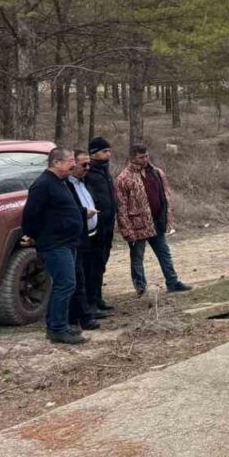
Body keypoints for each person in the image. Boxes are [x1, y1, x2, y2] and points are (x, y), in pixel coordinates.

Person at [21, 148, 88, 344]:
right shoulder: (42, 185)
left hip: (67, 242)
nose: (74, 164)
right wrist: (35, 236)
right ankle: (58, 329)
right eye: (70, 161)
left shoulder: (60, 182)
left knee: (63, 285)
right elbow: (30, 215)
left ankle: (56, 325)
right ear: (57, 163)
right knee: (66, 284)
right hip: (54, 244)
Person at [116, 144, 191, 296]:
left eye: (146, 156)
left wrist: (167, 216)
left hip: (157, 221)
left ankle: (172, 282)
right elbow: (121, 207)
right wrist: (127, 230)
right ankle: (141, 288)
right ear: (132, 157)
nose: (145, 159)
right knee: (137, 257)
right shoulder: (123, 179)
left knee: (164, 253)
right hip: (137, 225)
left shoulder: (156, 172)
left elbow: (165, 194)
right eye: (141, 157)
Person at [81, 137, 117, 315]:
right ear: (93, 154)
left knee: (101, 263)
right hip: (95, 227)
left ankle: (98, 298)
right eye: (104, 151)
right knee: (92, 266)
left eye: (109, 151)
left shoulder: (105, 171)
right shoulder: (88, 174)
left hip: (108, 226)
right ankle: (91, 303)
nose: (108, 154)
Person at [66, 151, 100, 332]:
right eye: (83, 165)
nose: (87, 168)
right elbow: (69, 210)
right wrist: (83, 213)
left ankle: (89, 310)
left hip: (91, 234)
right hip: (76, 238)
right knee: (78, 278)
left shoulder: (83, 182)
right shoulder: (67, 185)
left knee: (89, 274)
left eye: (89, 165)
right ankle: (80, 317)